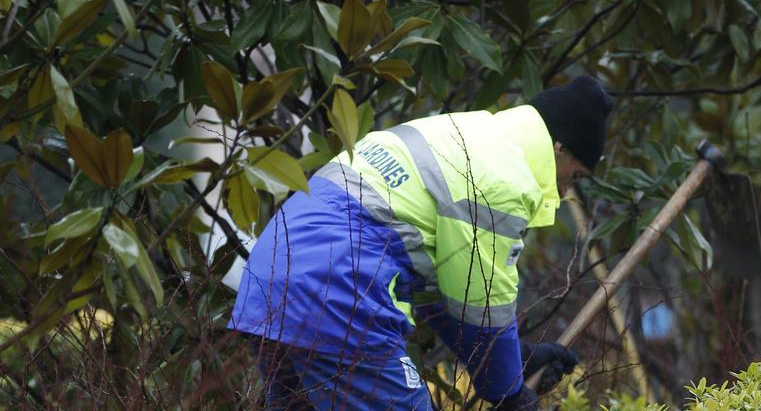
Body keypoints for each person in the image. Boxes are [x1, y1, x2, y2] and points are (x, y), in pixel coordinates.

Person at [228, 76, 614, 410]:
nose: (565, 192)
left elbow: (447, 293)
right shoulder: (505, 177)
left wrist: (515, 362)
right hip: (338, 293)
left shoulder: (468, 134)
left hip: (272, 280)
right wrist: (509, 393)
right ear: (559, 147)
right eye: (575, 177)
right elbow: (480, 302)